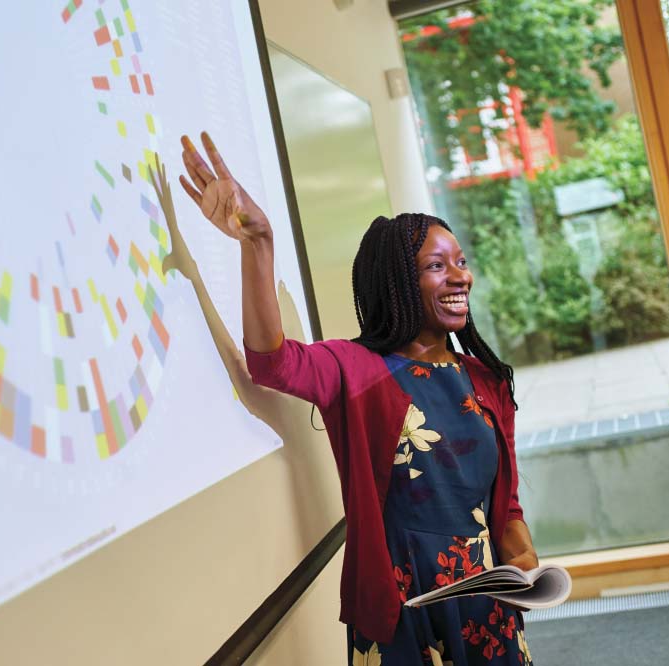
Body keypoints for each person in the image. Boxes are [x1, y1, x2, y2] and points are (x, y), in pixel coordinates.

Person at [177, 131, 539, 666]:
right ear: (396, 282)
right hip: (399, 611)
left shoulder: (487, 380)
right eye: (437, 266)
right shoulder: (355, 369)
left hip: (485, 606)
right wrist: (259, 244)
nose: (460, 275)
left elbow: (504, 508)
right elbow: (270, 361)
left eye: (460, 262)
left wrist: (524, 557)